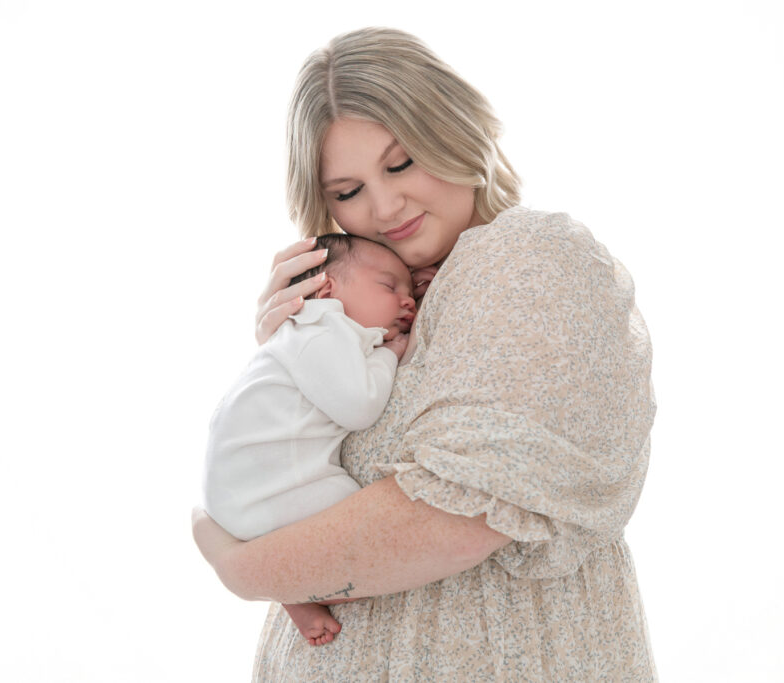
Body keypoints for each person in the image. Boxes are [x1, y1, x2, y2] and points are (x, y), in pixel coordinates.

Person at [192, 26, 657, 680]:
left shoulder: (530, 257)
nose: (384, 206)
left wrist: (239, 566)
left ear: (452, 131)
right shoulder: (369, 317)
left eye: (401, 162)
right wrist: (290, 357)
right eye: (347, 192)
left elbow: (454, 519)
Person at [203, 234, 415, 646]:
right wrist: (390, 354)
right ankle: (304, 589)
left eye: (411, 291)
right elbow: (360, 407)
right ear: (326, 290)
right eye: (389, 286)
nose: (407, 301)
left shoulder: (307, 336)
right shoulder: (319, 329)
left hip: (242, 500)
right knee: (373, 534)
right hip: (263, 494)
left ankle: (293, 594)